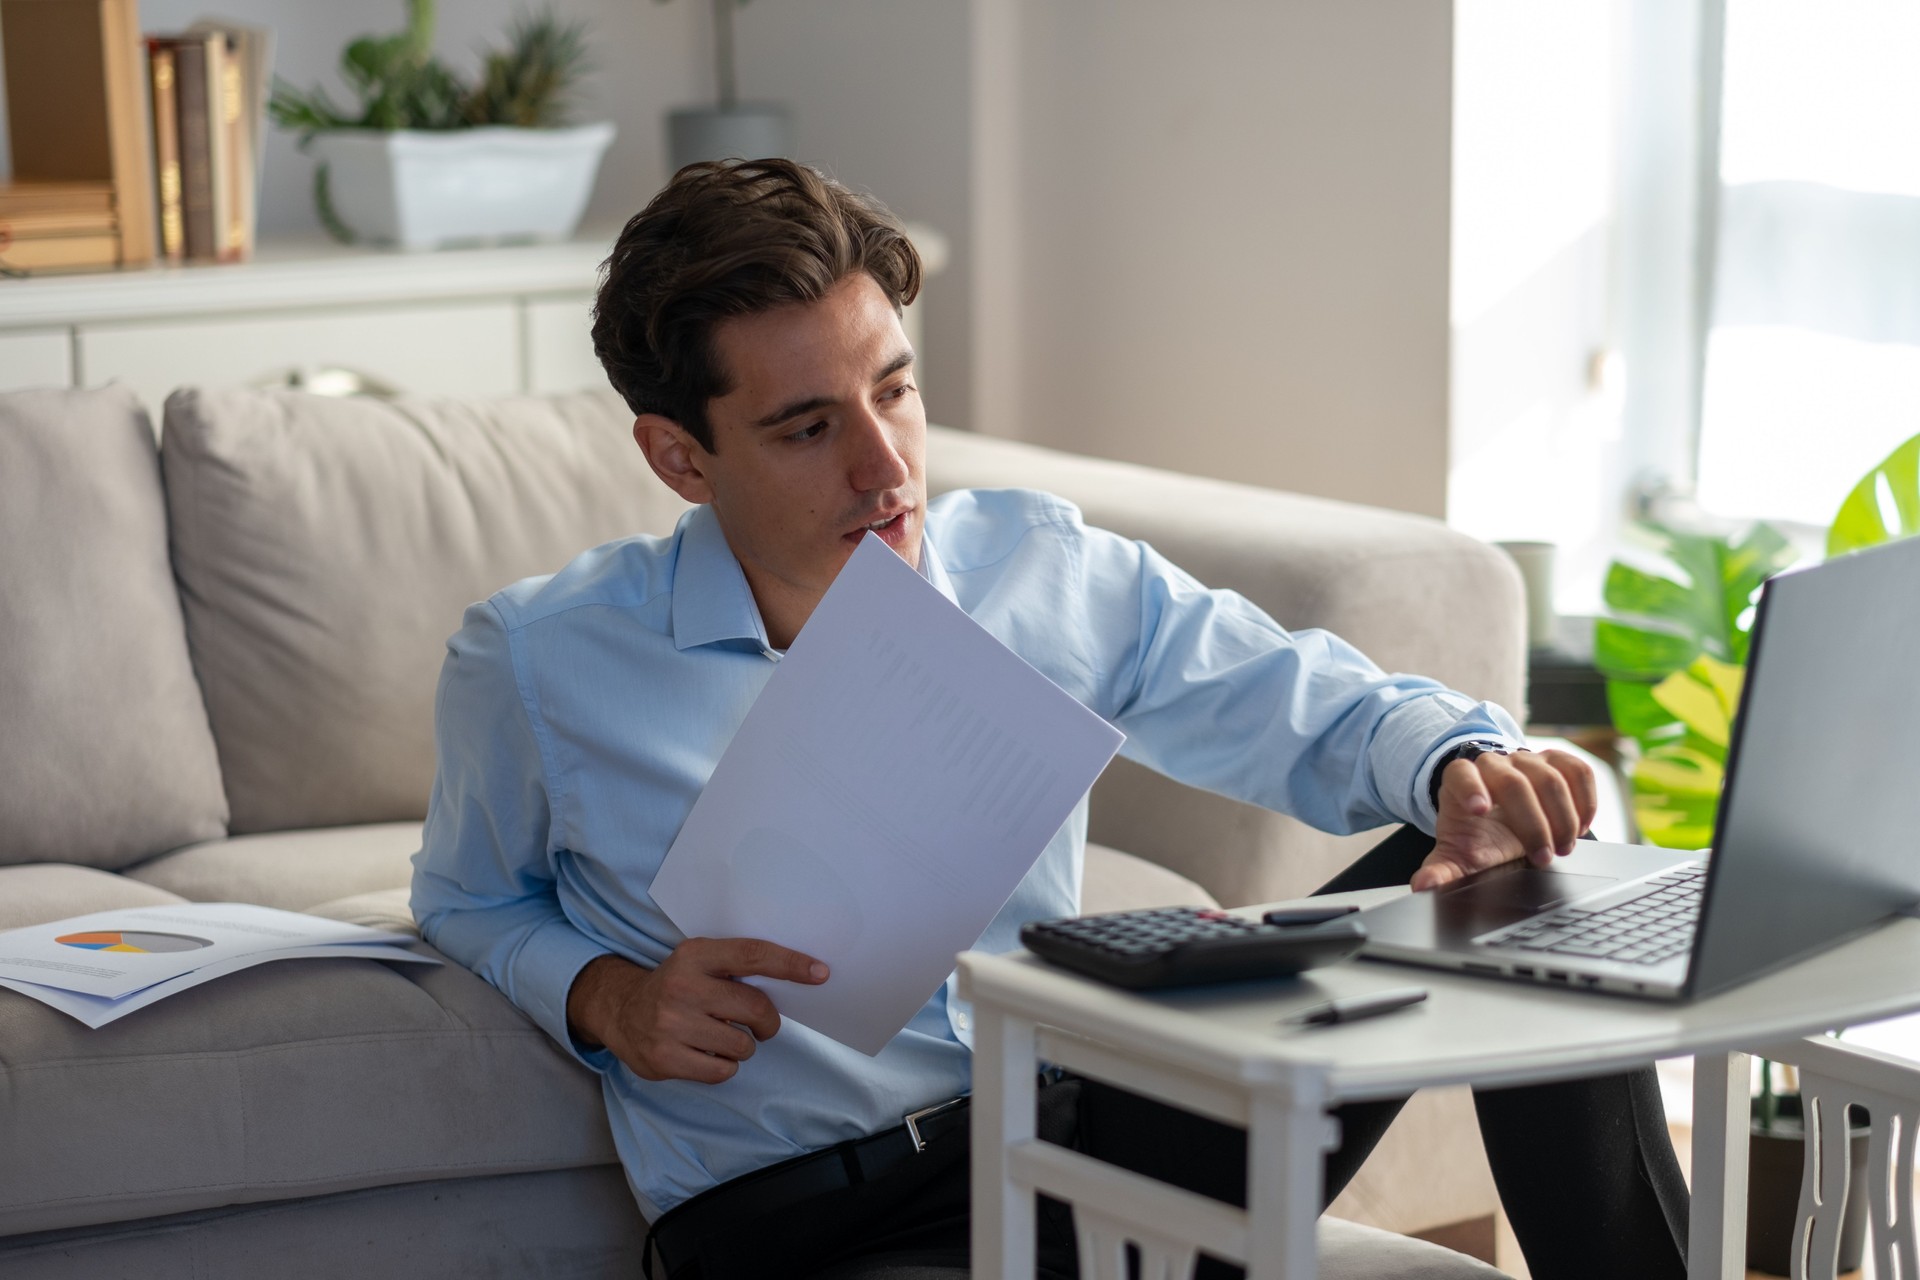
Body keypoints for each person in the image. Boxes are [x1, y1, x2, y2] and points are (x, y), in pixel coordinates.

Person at [411, 159, 1689, 1280]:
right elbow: (468, 898)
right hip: (817, 1221)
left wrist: (1460, 758)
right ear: (679, 457)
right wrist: (611, 998)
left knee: (1506, 866)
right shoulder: (541, 659)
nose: (885, 466)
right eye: (809, 427)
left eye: (896, 392)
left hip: (1095, 1133)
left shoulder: (1040, 569)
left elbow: (1311, 703)